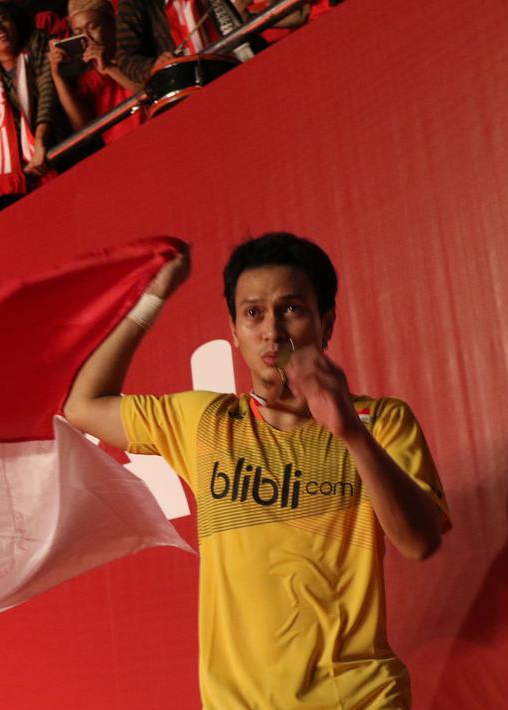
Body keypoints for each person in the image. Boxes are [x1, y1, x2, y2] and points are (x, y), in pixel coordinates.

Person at [63, 233, 451, 708]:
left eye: (292, 309)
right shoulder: (204, 422)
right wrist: (152, 298)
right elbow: (83, 405)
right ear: (233, 330)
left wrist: (350, 431)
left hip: (358, 699)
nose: (272, 331)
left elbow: (420, 542)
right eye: (253, 313)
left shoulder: (380, 420)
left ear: (326, 321)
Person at [0, 1, 62, 194]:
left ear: (14, 21)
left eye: (2, 18)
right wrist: (23, 166)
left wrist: (39, 140)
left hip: (60, 136)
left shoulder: (37, 42)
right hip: (28, 168)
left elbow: (48, 91)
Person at [49, 0, 144, 145]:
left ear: (112, 25)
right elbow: (82, 128)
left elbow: (151, 91)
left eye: (92, 27)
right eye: (78, 33)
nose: (87, 38)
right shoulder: (88, 76)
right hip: (121, 149)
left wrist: (108, 68)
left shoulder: (134, 54)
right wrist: (57, 75)